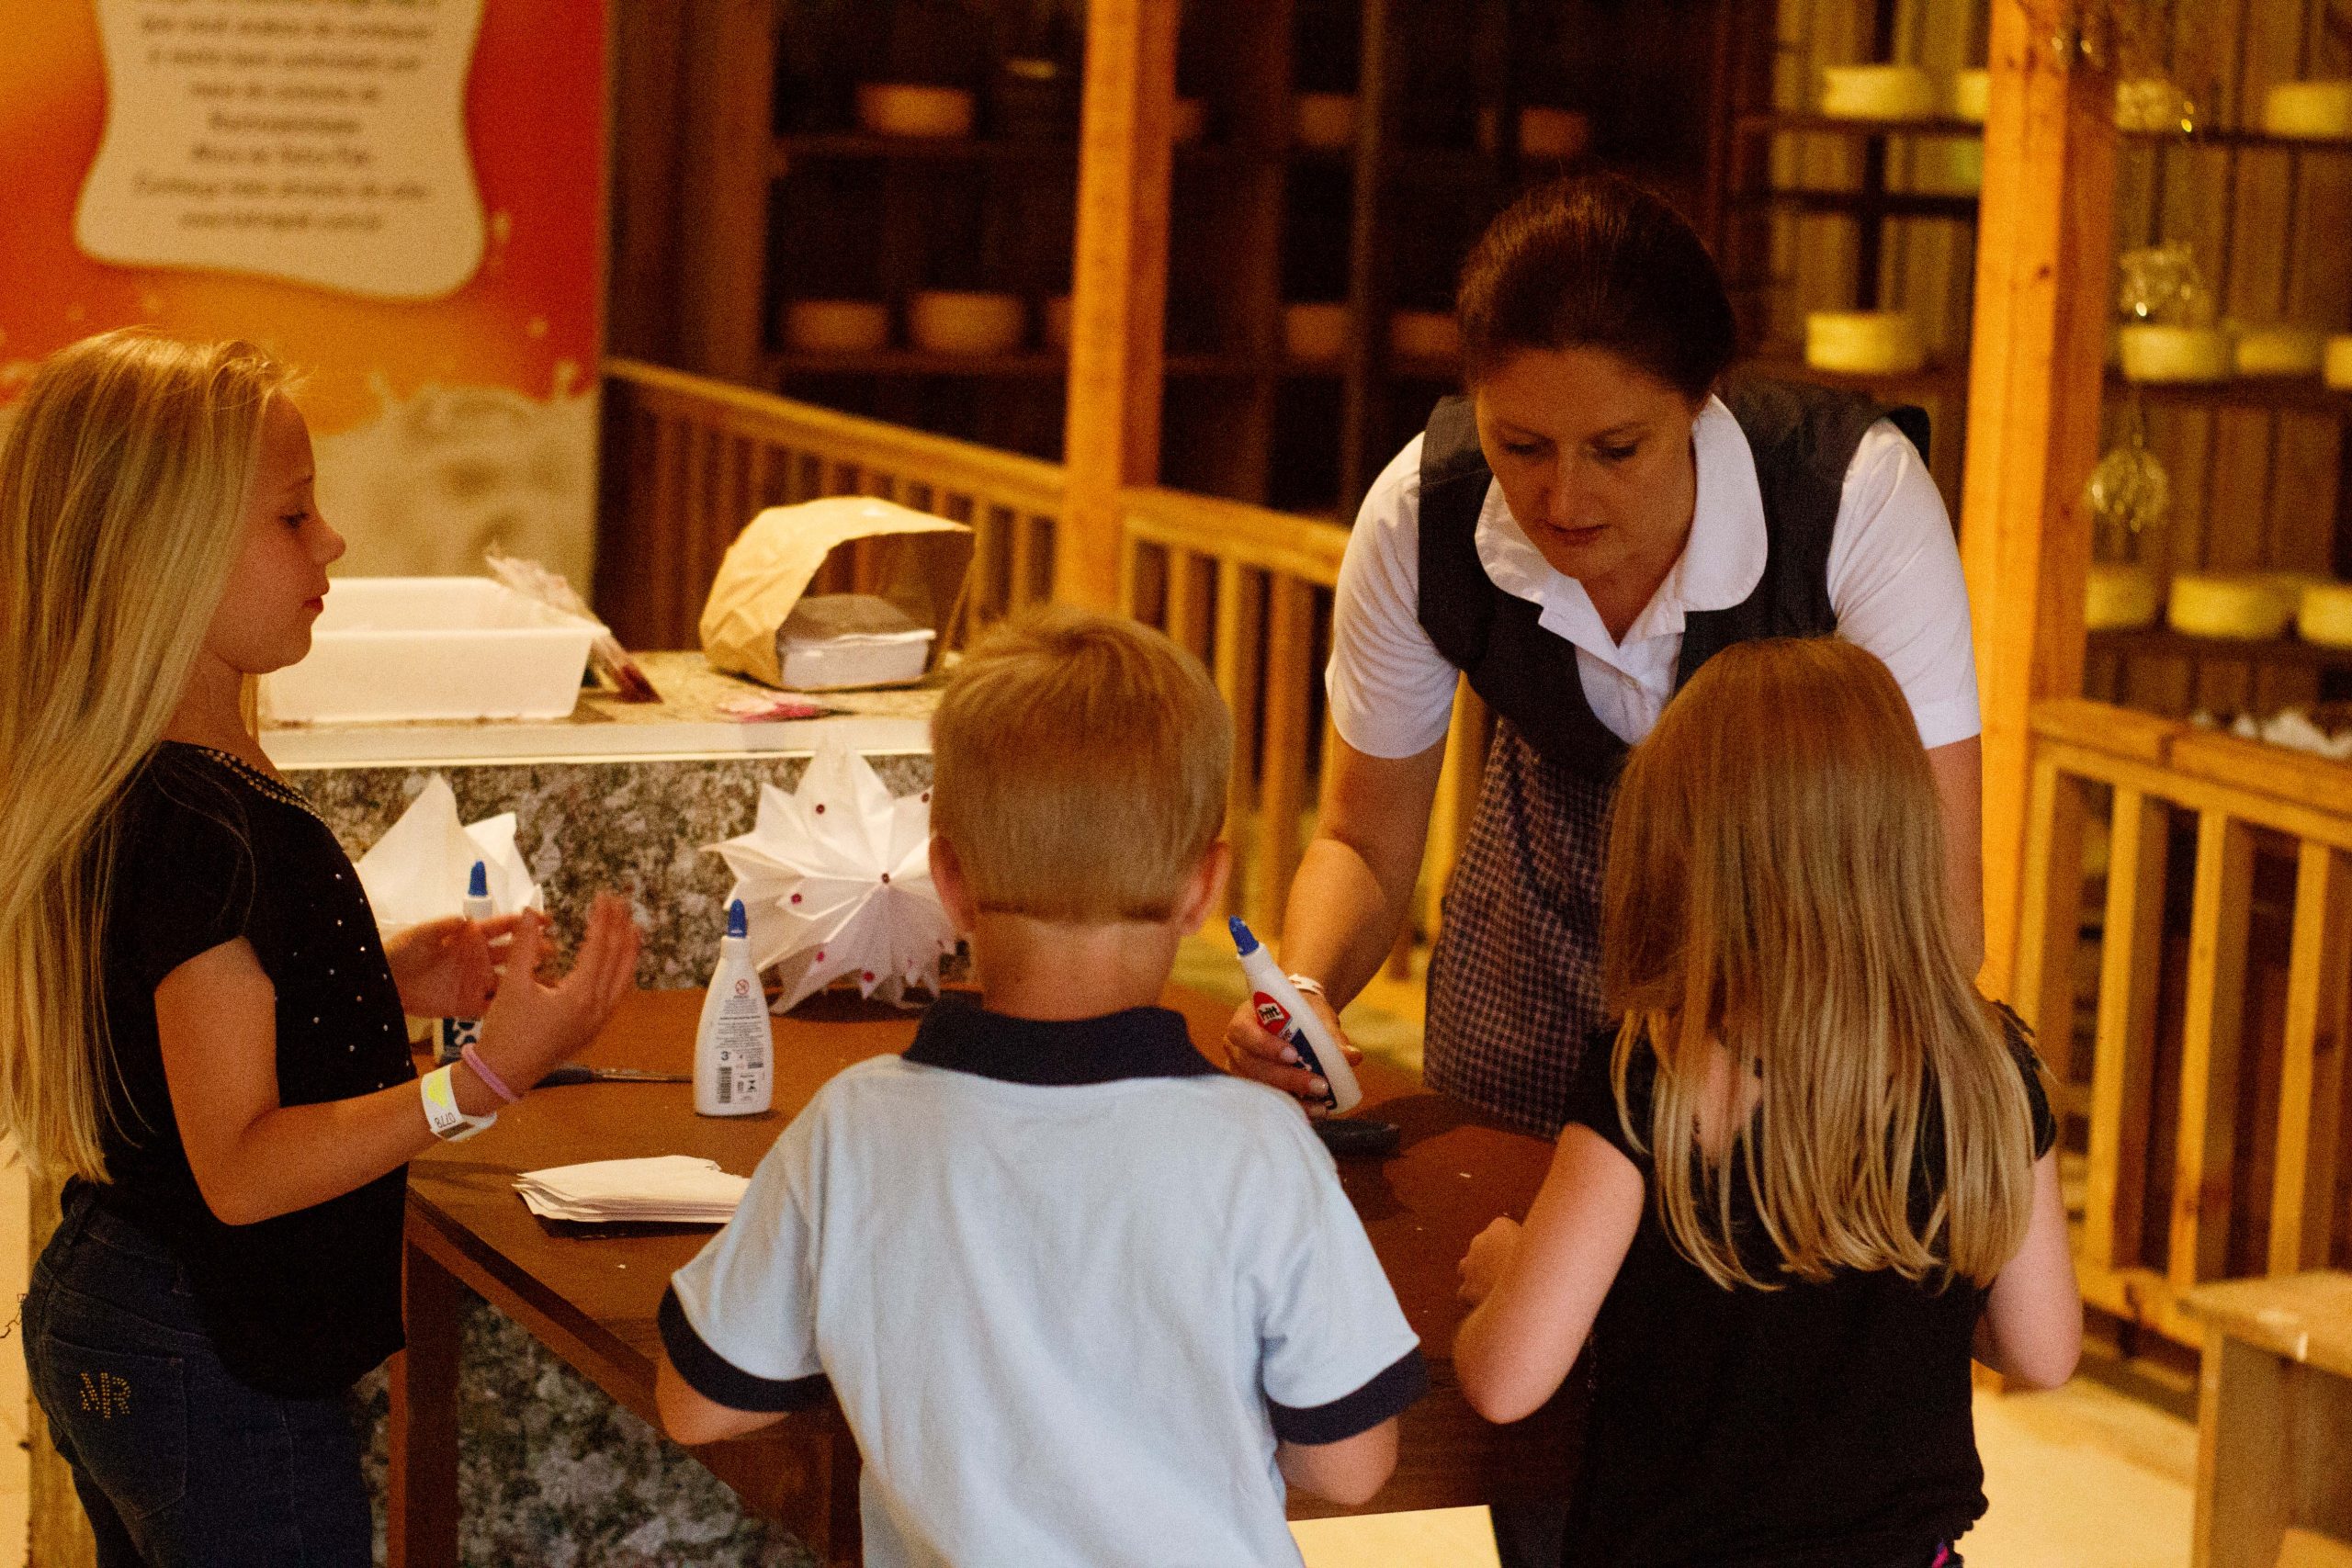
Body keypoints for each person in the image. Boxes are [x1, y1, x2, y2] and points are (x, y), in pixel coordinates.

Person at [0, 330, 642, 1568]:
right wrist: (478, 1080)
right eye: (293, 516)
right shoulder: (201, 823)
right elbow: (242, 1168)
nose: (333, 542)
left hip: (134, 1309)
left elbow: (193, 1011)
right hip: (206, 1349)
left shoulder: (169, 779)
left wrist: (377, 973)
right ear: (167, 555)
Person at [653, 607, 1427, 1568]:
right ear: (1203, 887)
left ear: (947, 878)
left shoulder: (851, 1129)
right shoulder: (1262, 1149)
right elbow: (1351, 1468)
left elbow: (696, 1404)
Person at [1226, 172, 1984, 1142]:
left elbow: (1939, 898)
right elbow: (1363, 842)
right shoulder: (1423, 513)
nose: (1564, 500)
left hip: (1799, 965)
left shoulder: (1851, 498)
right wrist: (1302, 992)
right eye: (1521, 446)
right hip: (1530, 933)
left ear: (1703, 401)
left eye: (1617, 450)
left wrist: (1782, 1098)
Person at [1452, 637, 2081, 1568]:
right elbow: (2043, 1351)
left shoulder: (1655, 1076)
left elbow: (1505, 1383)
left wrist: (1513, 1277)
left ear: (1694, 855)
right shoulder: (1988, 1071)